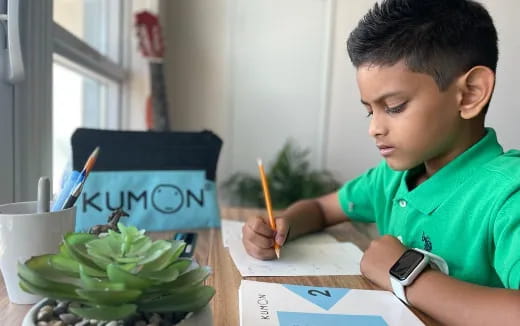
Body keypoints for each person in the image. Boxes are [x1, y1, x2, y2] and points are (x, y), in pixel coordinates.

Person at [241, 0, 520, 324]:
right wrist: (283, 226)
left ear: (470, 93)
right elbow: (321, 209)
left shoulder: (507, 195)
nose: (374, 128)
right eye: (369, 110)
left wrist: (406, 274)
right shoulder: (391, 179)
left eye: (395, 106)